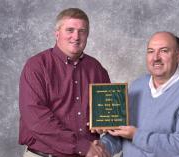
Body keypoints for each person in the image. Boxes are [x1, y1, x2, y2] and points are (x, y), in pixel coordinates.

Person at [19, 8, 110, 157]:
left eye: (82, 31)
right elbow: (36, 119)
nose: (76, 36)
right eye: (70, 30)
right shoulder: (36, 66)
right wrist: (81, 146)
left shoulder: (97, 69)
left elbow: (107, 112)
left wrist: (104, 125)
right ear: (57, 33)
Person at [101, 31, 179, 157]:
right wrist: (103, 147)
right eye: (151, 51)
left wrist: (136, 135)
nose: (156, 57)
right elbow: (122, 132)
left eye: (164, 51)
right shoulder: (137, 86)